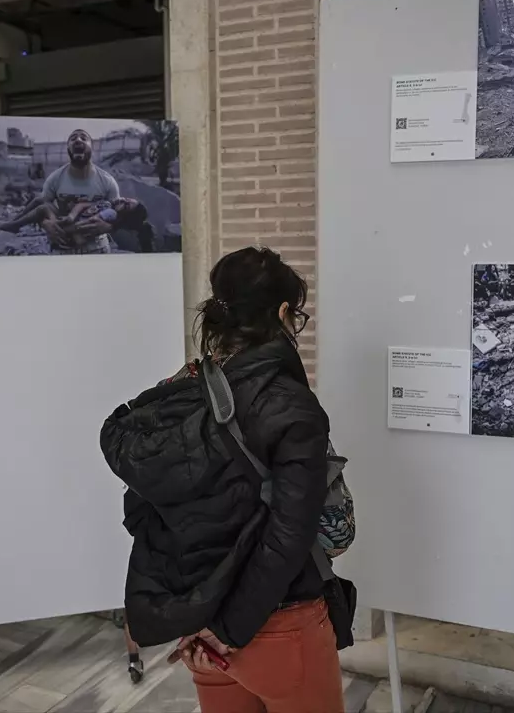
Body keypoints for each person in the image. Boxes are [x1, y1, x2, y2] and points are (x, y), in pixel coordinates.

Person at [101, 246, 344, 713]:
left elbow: (146, 511)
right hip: (277, 623)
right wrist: (231, 627)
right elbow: (293, 535)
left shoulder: (176, 394)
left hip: (201, 624)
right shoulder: (291, 405)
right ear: (281, 314)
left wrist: (200, 607)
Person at [0, 128, 121, 252]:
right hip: (62, 246)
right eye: (73, 138)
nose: (78, 140)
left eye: (84, 138)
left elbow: (120, 215)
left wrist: (108, 227)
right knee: (40, 202)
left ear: (91, 148)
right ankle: (14, 224)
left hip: (97, 249)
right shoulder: (55, 178)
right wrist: (46, 224)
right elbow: (42, 211)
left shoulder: (107, 181)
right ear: (68, 149)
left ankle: (14, 224)